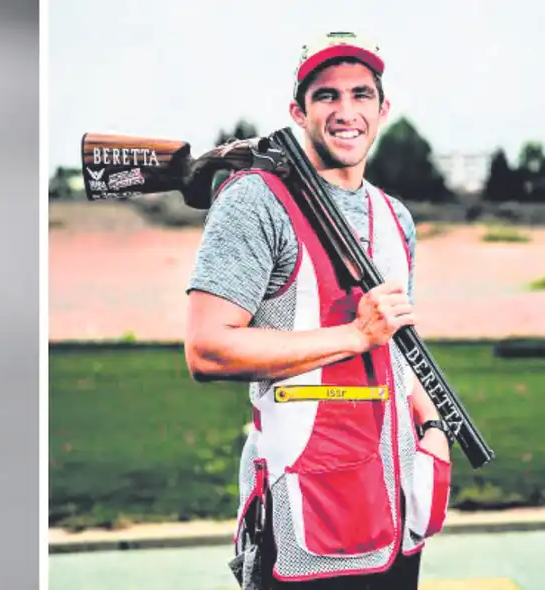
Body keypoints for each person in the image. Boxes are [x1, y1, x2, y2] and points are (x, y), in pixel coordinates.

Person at [184, 32, 452, 589]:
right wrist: (354, 335)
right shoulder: (255, 200)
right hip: (304, 511)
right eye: (326, 96)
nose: (346, 111)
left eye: (361, 94)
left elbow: (398, 348)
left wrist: (431, 422)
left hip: (396, 504)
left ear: (383, 110)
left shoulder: (394, 216)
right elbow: (208, 348)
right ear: (297, 111)